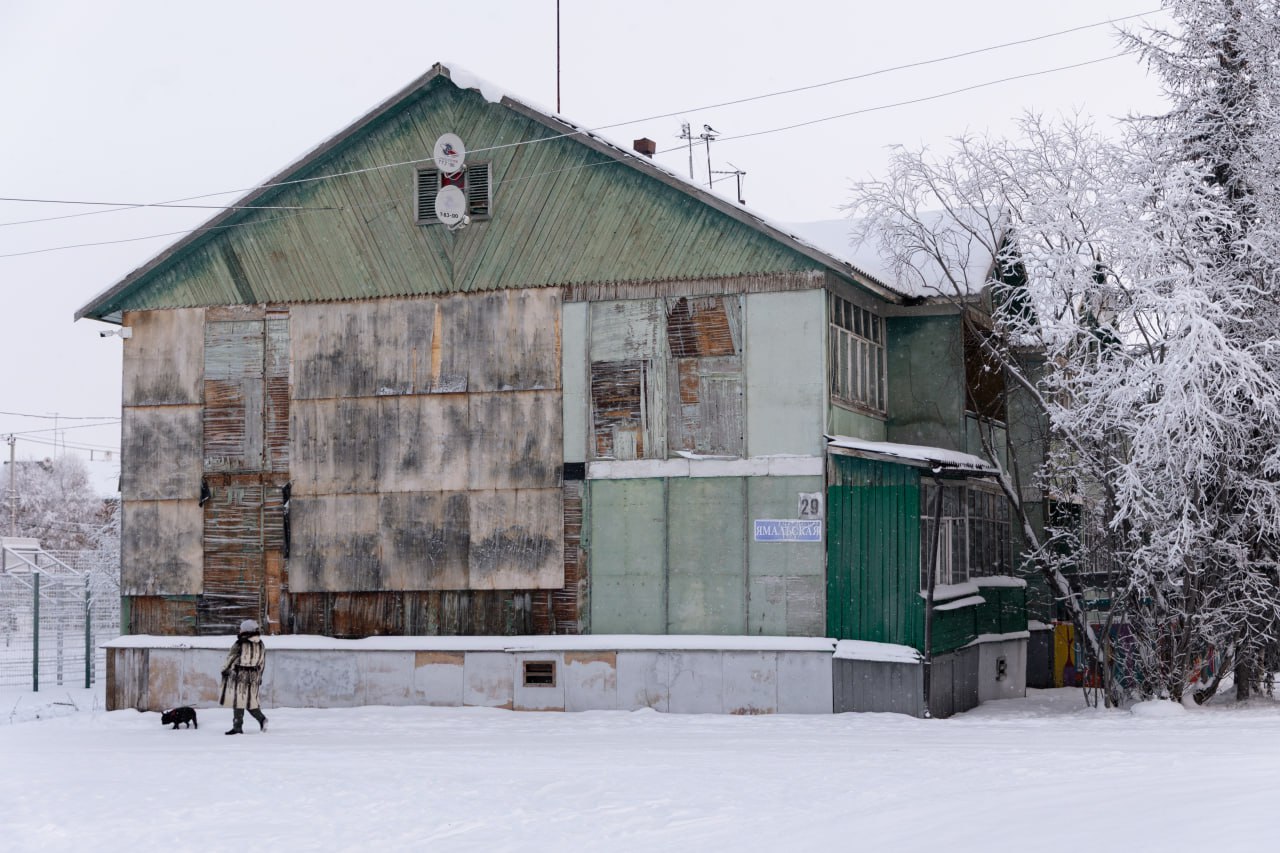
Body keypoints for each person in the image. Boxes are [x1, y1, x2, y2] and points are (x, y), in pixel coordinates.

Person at [220, 618, 268, 735]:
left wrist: (225, 670)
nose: (240, 630)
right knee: (250, 701)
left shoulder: (240, 643)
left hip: (239, 675)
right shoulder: (261, 644)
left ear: (246, 630)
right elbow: (262, 662)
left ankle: (237, 727)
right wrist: (259, 676)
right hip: (254, 676)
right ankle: (261, 719)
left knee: (238, 701)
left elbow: (231, 658)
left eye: (241, 628)